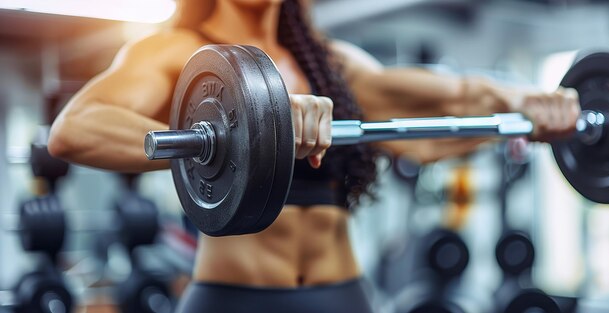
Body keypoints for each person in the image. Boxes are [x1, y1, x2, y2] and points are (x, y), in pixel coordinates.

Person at [48, 0, 579, 312]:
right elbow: (75, 129)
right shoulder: (180, 52)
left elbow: (449, 106)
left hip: (341, 296)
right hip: (235, 299)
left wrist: (524, 103)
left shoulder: (331, 63)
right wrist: (238, 132)